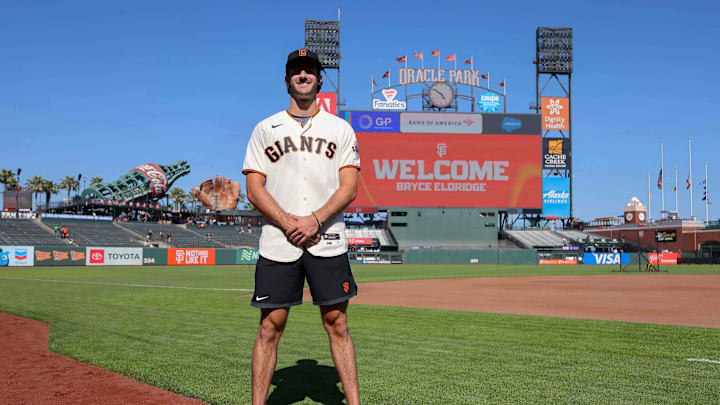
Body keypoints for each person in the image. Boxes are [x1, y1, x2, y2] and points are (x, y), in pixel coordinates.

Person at [242, 48, 361, 405]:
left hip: (328, 240)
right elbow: (253, 188)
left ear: (319, 78)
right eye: (296, 70)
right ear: (287, 80)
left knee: (337, 324)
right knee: (269, 328)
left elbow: (349, 186)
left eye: (309, 70)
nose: (303, 75)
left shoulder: (340, 128)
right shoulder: (265, 128)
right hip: (279, 241)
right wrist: (289, 222)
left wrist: (315, 219)